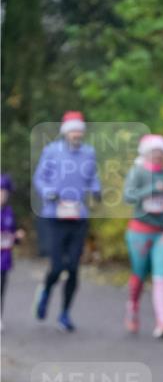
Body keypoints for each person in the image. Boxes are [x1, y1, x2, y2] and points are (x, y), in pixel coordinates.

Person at [32, 111, 101, 331]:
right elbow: (39, 178)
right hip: (54, 215)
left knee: (73, 268)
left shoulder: (89, 153)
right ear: (65, 131)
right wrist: (48, 192)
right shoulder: (52, 151)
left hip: (78, 215)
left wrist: (96, 190)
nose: (76, 134)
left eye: (79, 130)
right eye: (72, 130)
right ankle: (45, 291)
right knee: (58, 266)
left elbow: (93, 176)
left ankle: (64, 313)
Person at [122, 134, 163, 338]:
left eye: (161, 152)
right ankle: (132, 307)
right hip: (140, 230)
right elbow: (128, 196)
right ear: (146, 153)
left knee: (162, 275)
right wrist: (150, 189)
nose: (158, 155)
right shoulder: (138, 172)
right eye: (154, 152)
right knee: (139, 275)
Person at [1, 175, 25, 319]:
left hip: (4, 259)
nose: (1, 195)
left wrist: (17, 236)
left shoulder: (9, 212)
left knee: (1, 288)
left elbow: (12, 235)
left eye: (4, 192)